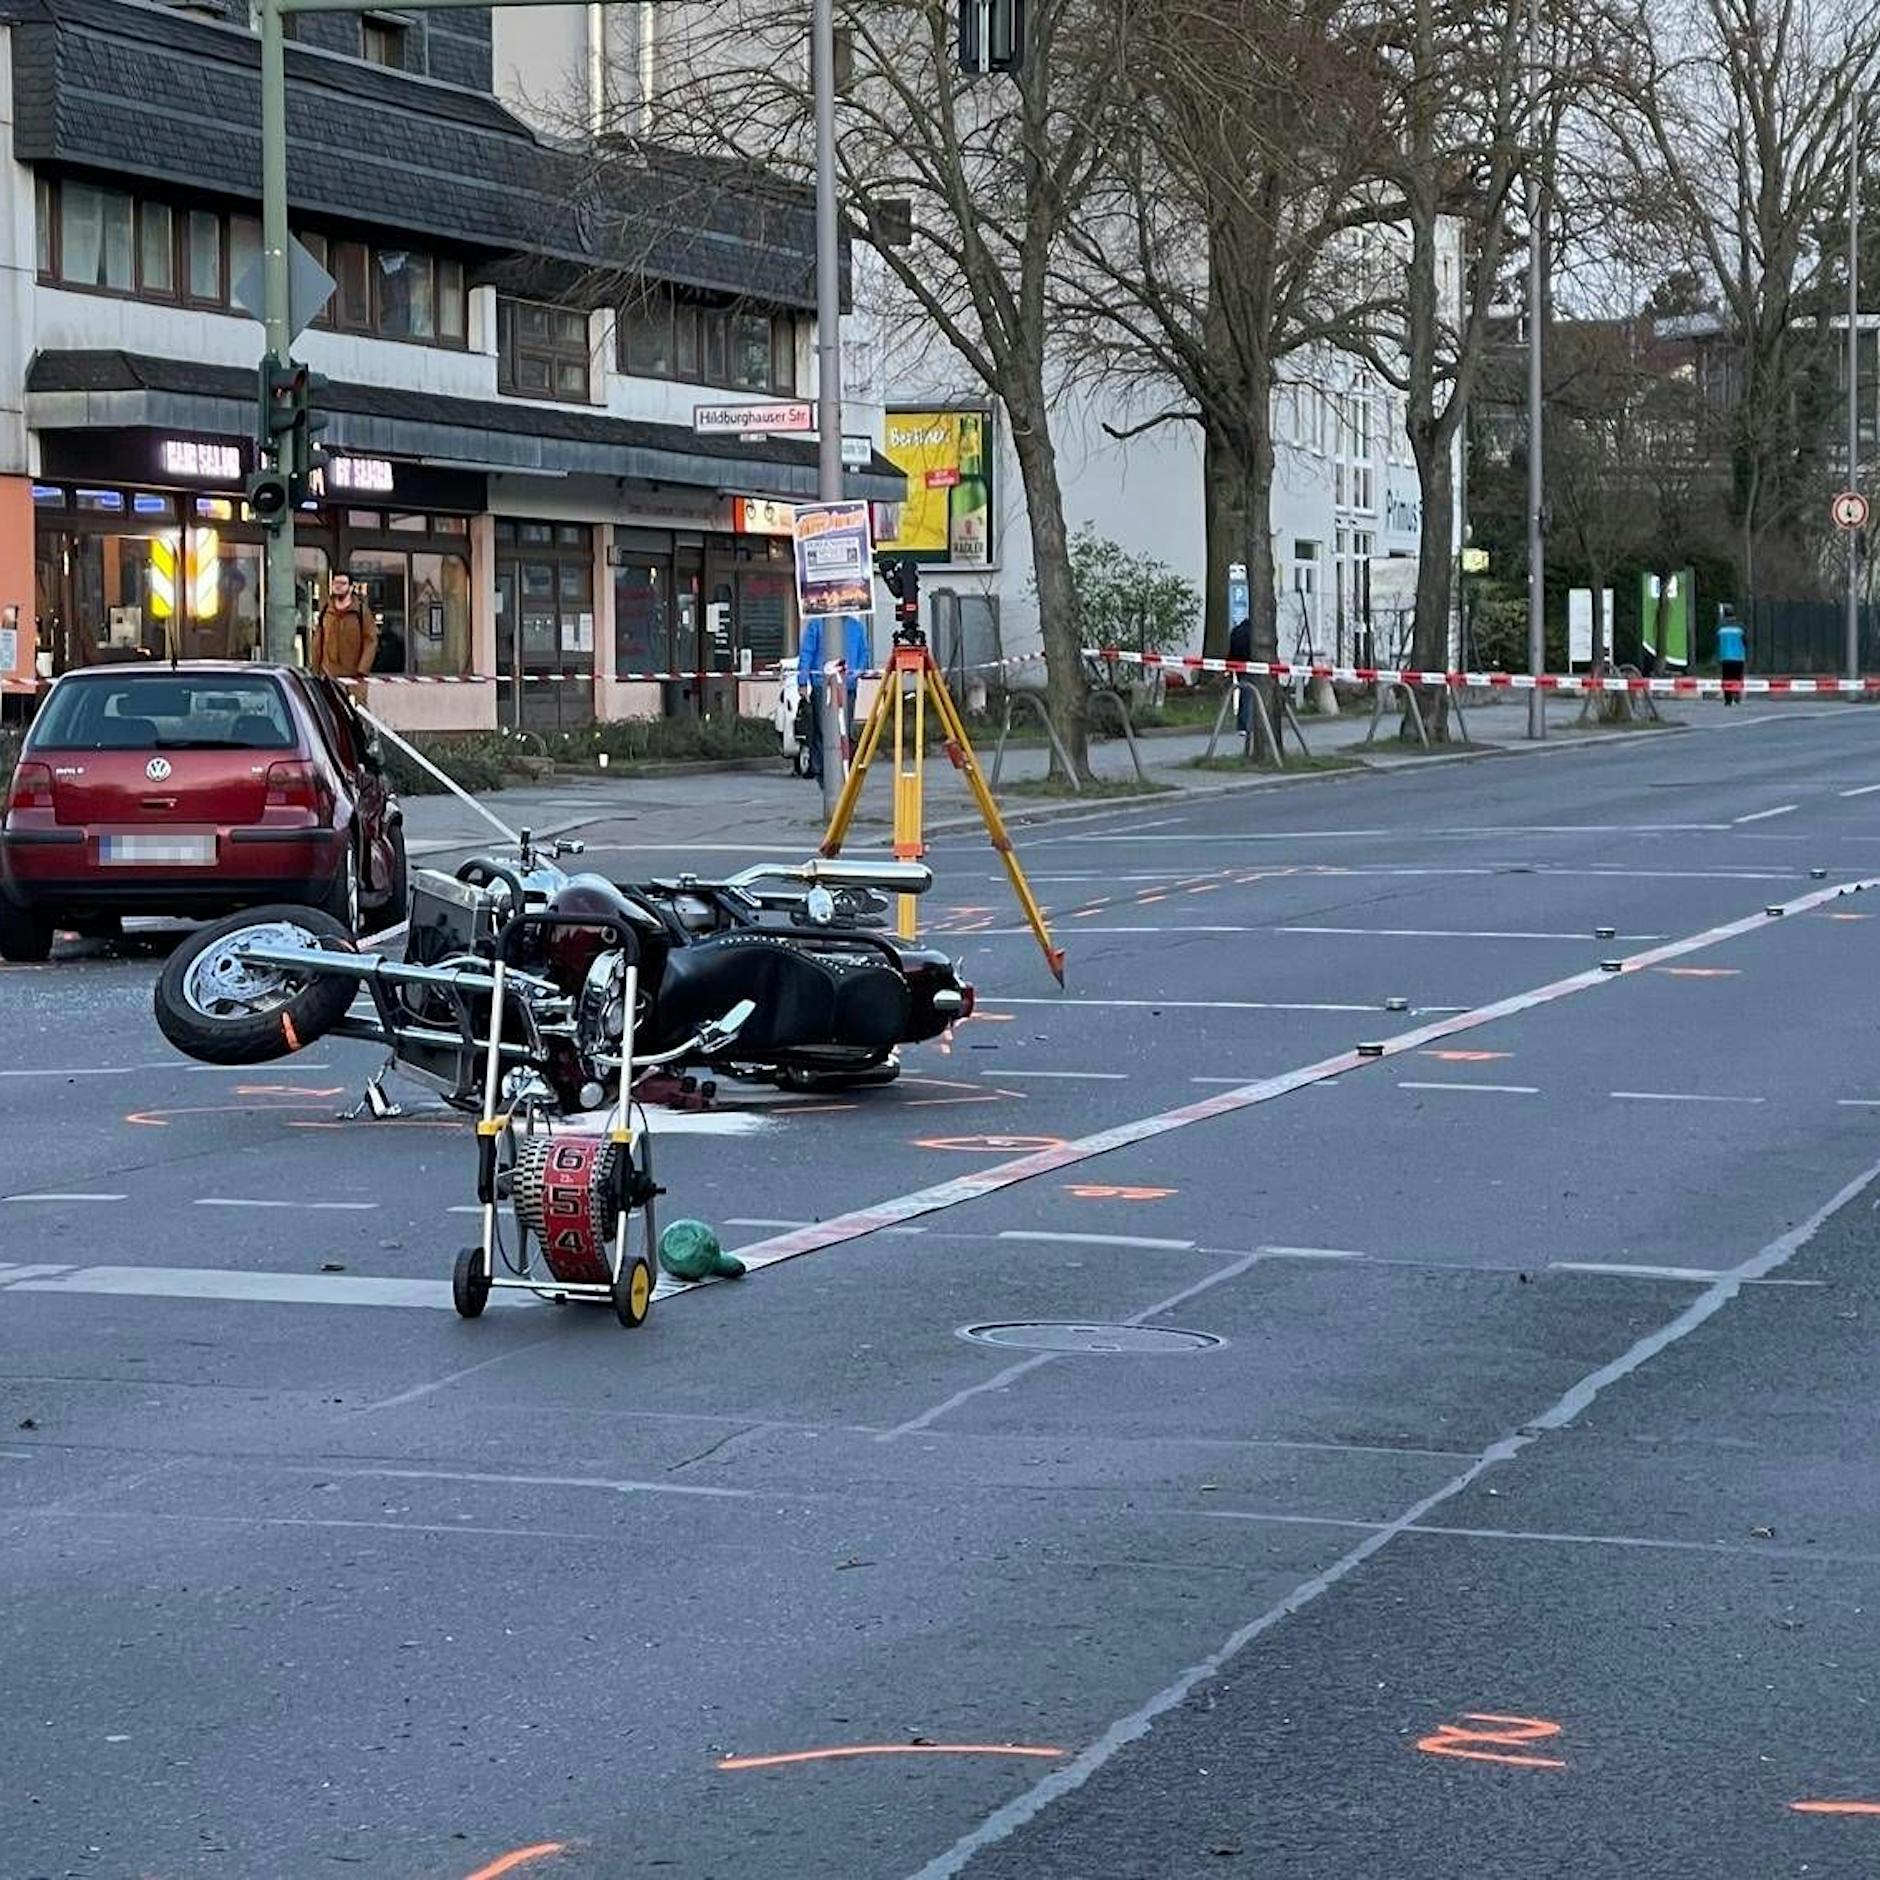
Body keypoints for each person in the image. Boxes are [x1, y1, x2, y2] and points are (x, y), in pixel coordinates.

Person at [797, 611, 871, 784]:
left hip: (836, 685)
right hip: (829, 685)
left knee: (834, 729)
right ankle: (828, 772)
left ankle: (835, 771)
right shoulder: (820, 624)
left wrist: (803, 681)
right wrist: (803, 679)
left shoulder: (853, 626)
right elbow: (807, 652)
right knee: (832, 728)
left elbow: (864, 654)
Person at [310, 572, 380, 682]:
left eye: (342, 583)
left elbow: (370, 641)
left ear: (351, 587)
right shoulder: (326, 610)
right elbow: (318, 641)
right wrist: (315, 669)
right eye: (335, 583)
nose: (338, 586)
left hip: (354, 677)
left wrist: (362, 670)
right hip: (327, 676)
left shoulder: (361, 611)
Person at [1227, 613, 1254, 734]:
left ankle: (1241, 724)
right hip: (1252, 666)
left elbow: (1231, 651)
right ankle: (1247, 725)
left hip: (1239, 667)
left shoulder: (1236, 631)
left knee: (1244, 695)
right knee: (1249, 697)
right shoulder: (1254, 633)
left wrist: (1230, 666)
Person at [1716, 610, 1748, 706]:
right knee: (1737, 677)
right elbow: (1745, 641)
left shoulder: (1720, 627)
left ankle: (1728, 699)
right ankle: (1737, 695)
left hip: (1725, 657)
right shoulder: (1740, 627)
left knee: (1726, 678)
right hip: (1738, 657)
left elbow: (1717, 641)